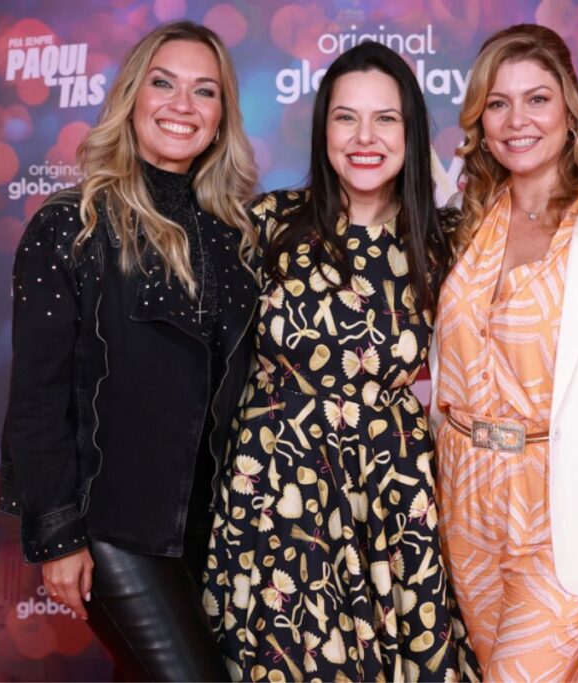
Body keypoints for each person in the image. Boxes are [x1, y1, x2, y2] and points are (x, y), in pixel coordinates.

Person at [203, 42, 480, 682]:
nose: (364, 137)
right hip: (277, 498)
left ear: (411, 132)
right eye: (345, 117)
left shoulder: (449, 245)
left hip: (391, 503)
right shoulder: (267, 225)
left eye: (385, 119)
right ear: (322, 127)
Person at [0, 20, 257, 681]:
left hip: (210, 533)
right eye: (163, 83)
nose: (181, 105)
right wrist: (59, 536)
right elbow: (37, 398)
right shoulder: (70, 227)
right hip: (112, 529)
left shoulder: (236, 241)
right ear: (132, 95)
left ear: (222, 116)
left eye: (205, 92)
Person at [430, 24, 578, 682]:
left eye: (536, 99)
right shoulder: (464, 225)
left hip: (561, 507)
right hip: (461, 499)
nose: (517, 120)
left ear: (571, 113)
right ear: (480, 120)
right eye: (498, 103)